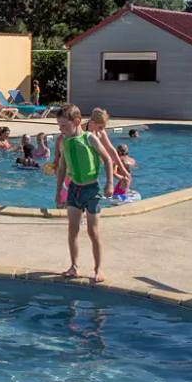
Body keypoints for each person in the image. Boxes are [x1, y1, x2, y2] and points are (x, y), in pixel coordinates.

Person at [55, 104, 114, 284]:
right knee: (72, 230)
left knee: (92, 231)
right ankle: (74, 266)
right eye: (59, 126)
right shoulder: (64, 142)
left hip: (91, 190)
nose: (61, 129)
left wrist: (110, 183)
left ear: (77, 121)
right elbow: (62, 168)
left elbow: (107, 159)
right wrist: (59, 191)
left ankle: (98, 269)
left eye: (64, 125)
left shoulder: (90, 139)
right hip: (74, 189)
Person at [85, 108, 131, 188]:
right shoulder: (81, 132)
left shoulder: (100, 132)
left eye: (103, 127)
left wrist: (123, 170)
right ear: (92, 123)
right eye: (100, 127)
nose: (102, 130)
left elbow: (111, 150)